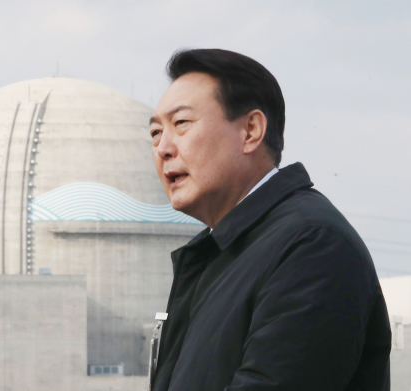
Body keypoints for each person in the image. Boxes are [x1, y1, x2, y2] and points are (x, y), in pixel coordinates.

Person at [149, 49, 391, 391]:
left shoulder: (311, 245)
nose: (163, 148)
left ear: (250, 130)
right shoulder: (222, 253)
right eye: (155, 132)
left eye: (181, 123)